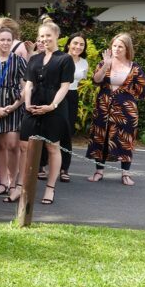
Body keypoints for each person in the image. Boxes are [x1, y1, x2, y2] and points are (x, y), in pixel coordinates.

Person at [10, 21, 74, 205]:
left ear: (57, 36)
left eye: (48, 35)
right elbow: (29, 84)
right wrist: (27, 104)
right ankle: (20, 187)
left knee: (52, 147)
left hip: (54, 109)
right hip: (33, 107)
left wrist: (52, 106)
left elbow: (64, 87)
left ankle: (50, 188)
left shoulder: (65, 59)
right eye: (42, 36)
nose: (45, 39)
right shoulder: (34, 59)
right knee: (24, 147)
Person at [86, 33, 145, 186]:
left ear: (127, 49)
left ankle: (125, 174)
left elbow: (143, 91)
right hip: (103, 108)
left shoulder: (134, 67)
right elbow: (96, 80)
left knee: (126, 140)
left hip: (126, 111)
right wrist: (106, 64)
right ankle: (99, 171)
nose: (117, 49)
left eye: (121, 46)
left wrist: (126, 97)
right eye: (114, 45)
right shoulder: (104, 63)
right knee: (101, 137)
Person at [0, 26, 27, 198]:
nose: (6, 43)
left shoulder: (19, 60)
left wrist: (16, 105)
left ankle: (13, 182)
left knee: (12, 144)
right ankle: (2, 181)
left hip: (13, 105)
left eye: (9, 40)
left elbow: (26, 87)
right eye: (2, 39)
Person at [59, 33, 89, 182]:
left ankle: (64, 168)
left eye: (81, 44)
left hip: (72, 96)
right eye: (75, 43)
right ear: (68, 44)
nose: (77, 46)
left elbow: (82, 79)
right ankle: (42, 165)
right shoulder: (59, 58)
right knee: (49, 129)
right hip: (57, 94)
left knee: (67, 131)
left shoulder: (84, 62)